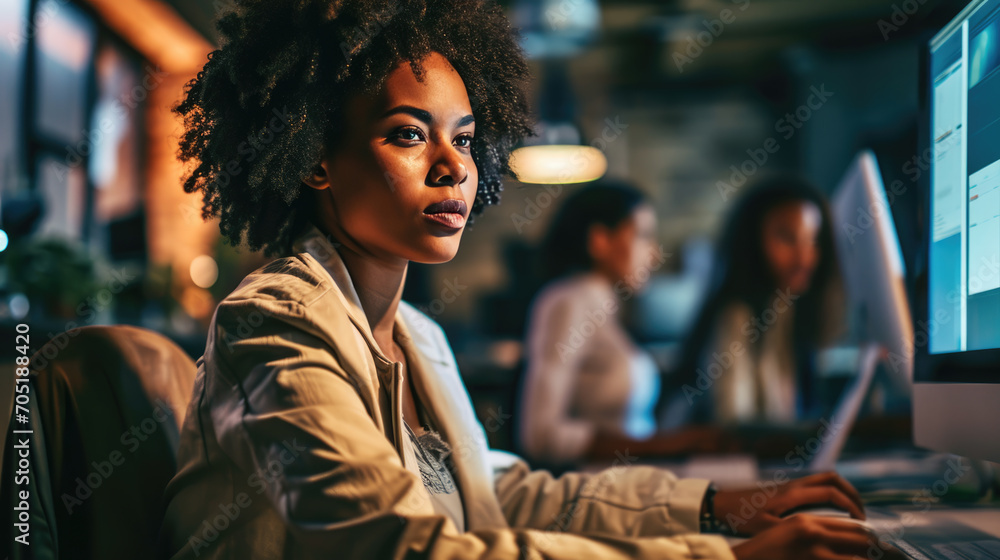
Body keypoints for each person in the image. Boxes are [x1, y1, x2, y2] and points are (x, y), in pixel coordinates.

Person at [159, 2, 890, 559]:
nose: (455, 168)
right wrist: (722, 555)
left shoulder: (420, 336)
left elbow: (503, 492)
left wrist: (721, 505)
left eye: (466, 139)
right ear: (315, 156)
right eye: (411, 134)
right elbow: (401, 546)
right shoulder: (276, 320)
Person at [518, 181, 738, 466]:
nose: (655, 254)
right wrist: (661, 446)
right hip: (599, 492)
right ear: (600, 240)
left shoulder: (604, 306)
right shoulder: (568, 302)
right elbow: (540, 435)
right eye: (643, 235)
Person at [665, 175, 844, 428]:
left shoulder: (789, 311)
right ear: (751, 242)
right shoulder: (736, 315)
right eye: (787, 238)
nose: (805, 257)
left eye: (813, 239)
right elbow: (733, 423)